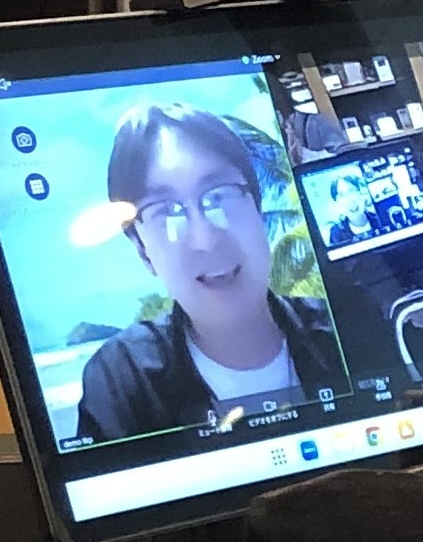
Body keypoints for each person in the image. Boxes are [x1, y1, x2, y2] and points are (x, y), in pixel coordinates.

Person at [77, 103, 345, 443]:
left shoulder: (343, 326)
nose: (205, 240)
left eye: (220, 196)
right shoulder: (123, 379)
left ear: (258, 209)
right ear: (143, 250)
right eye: (167, 211)